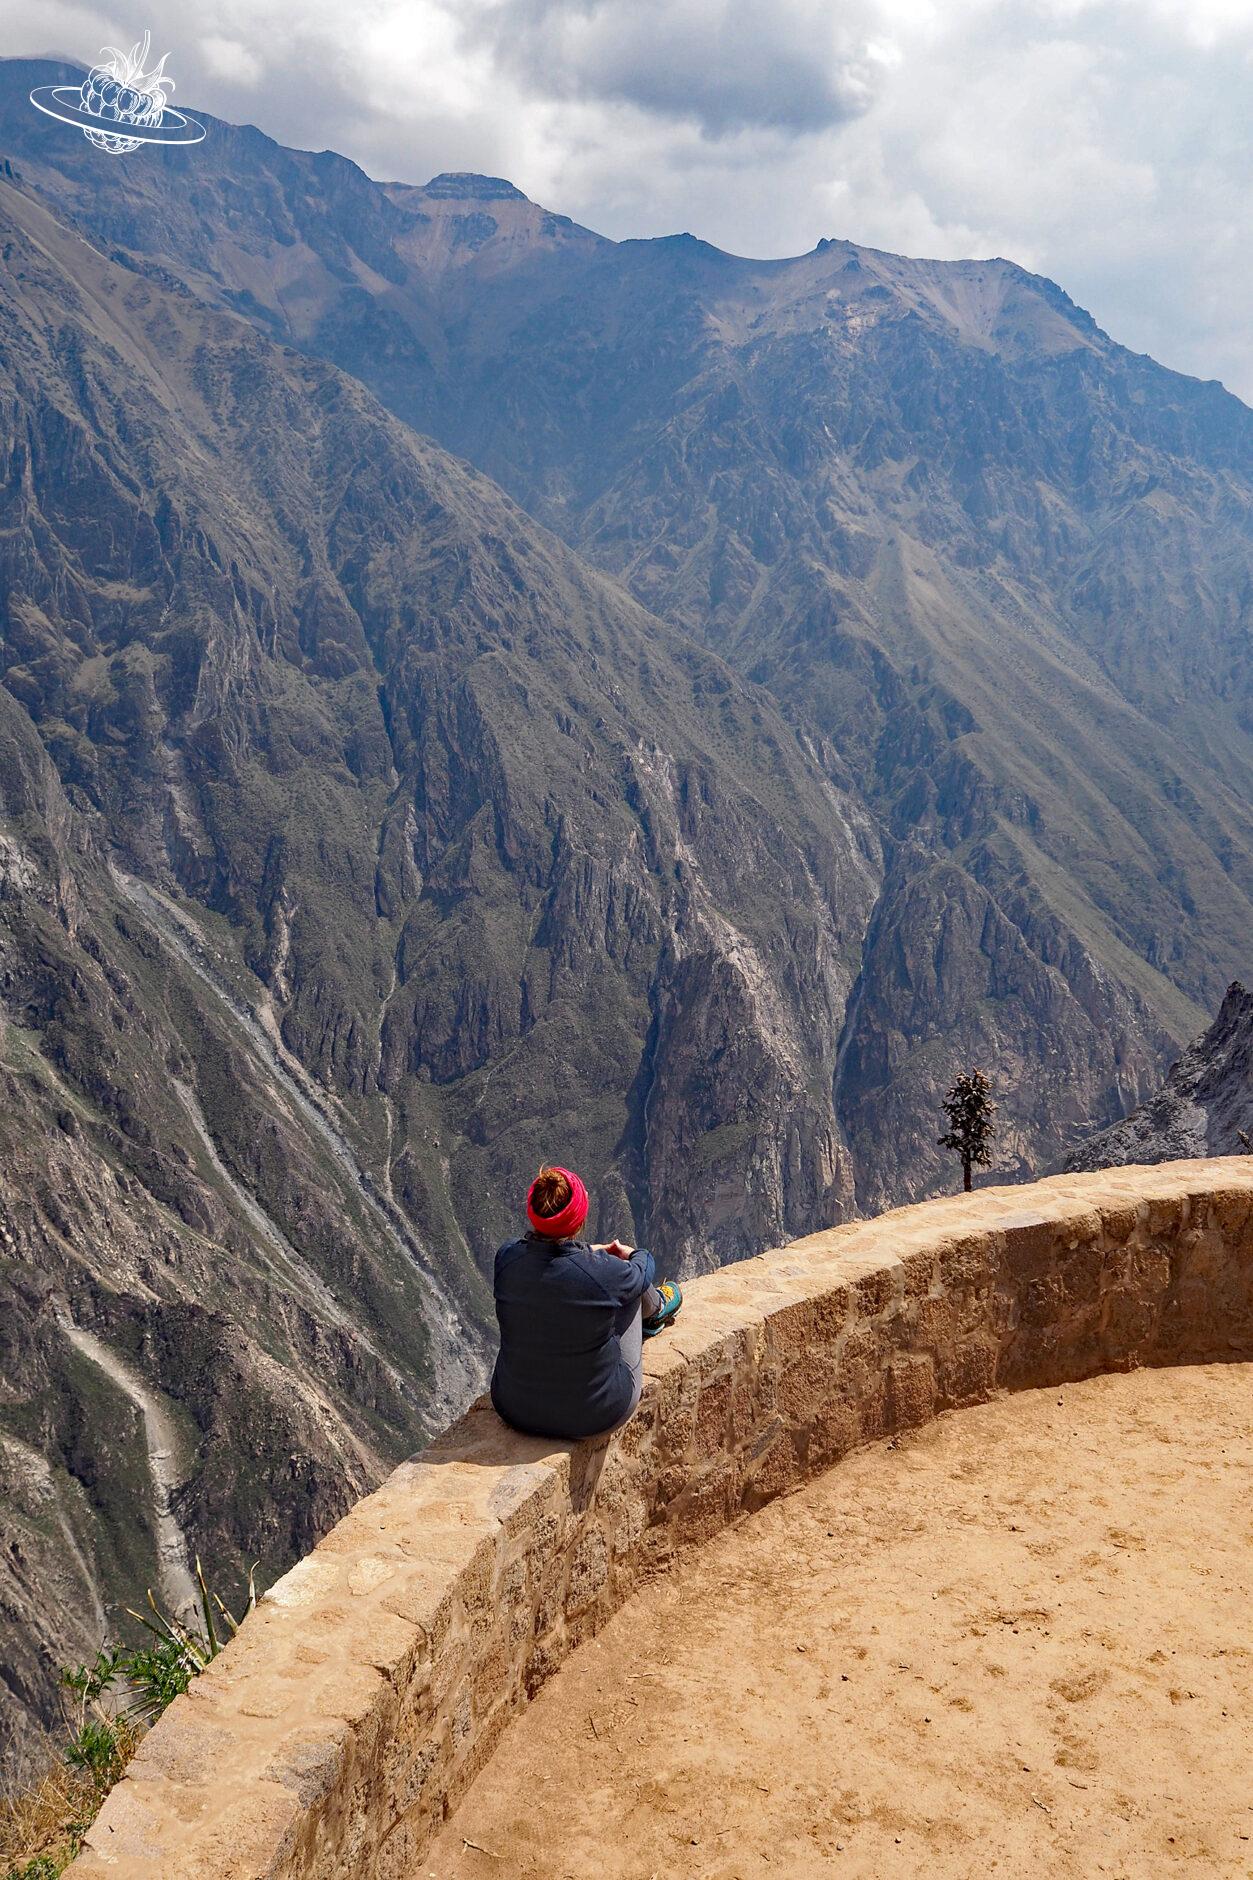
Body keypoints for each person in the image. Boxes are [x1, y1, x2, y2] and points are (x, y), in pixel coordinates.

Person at [490, 1164, 683, 1441]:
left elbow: (552, 1265)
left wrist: (588, 1253)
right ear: (579, 1220)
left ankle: (653, 1311)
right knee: (630, 1292)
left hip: (513, 1407)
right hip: (595, 1413)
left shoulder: (507, 1259)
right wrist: (632, 1253)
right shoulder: (603, 1274)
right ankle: (656, 1311)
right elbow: (644, 1269)